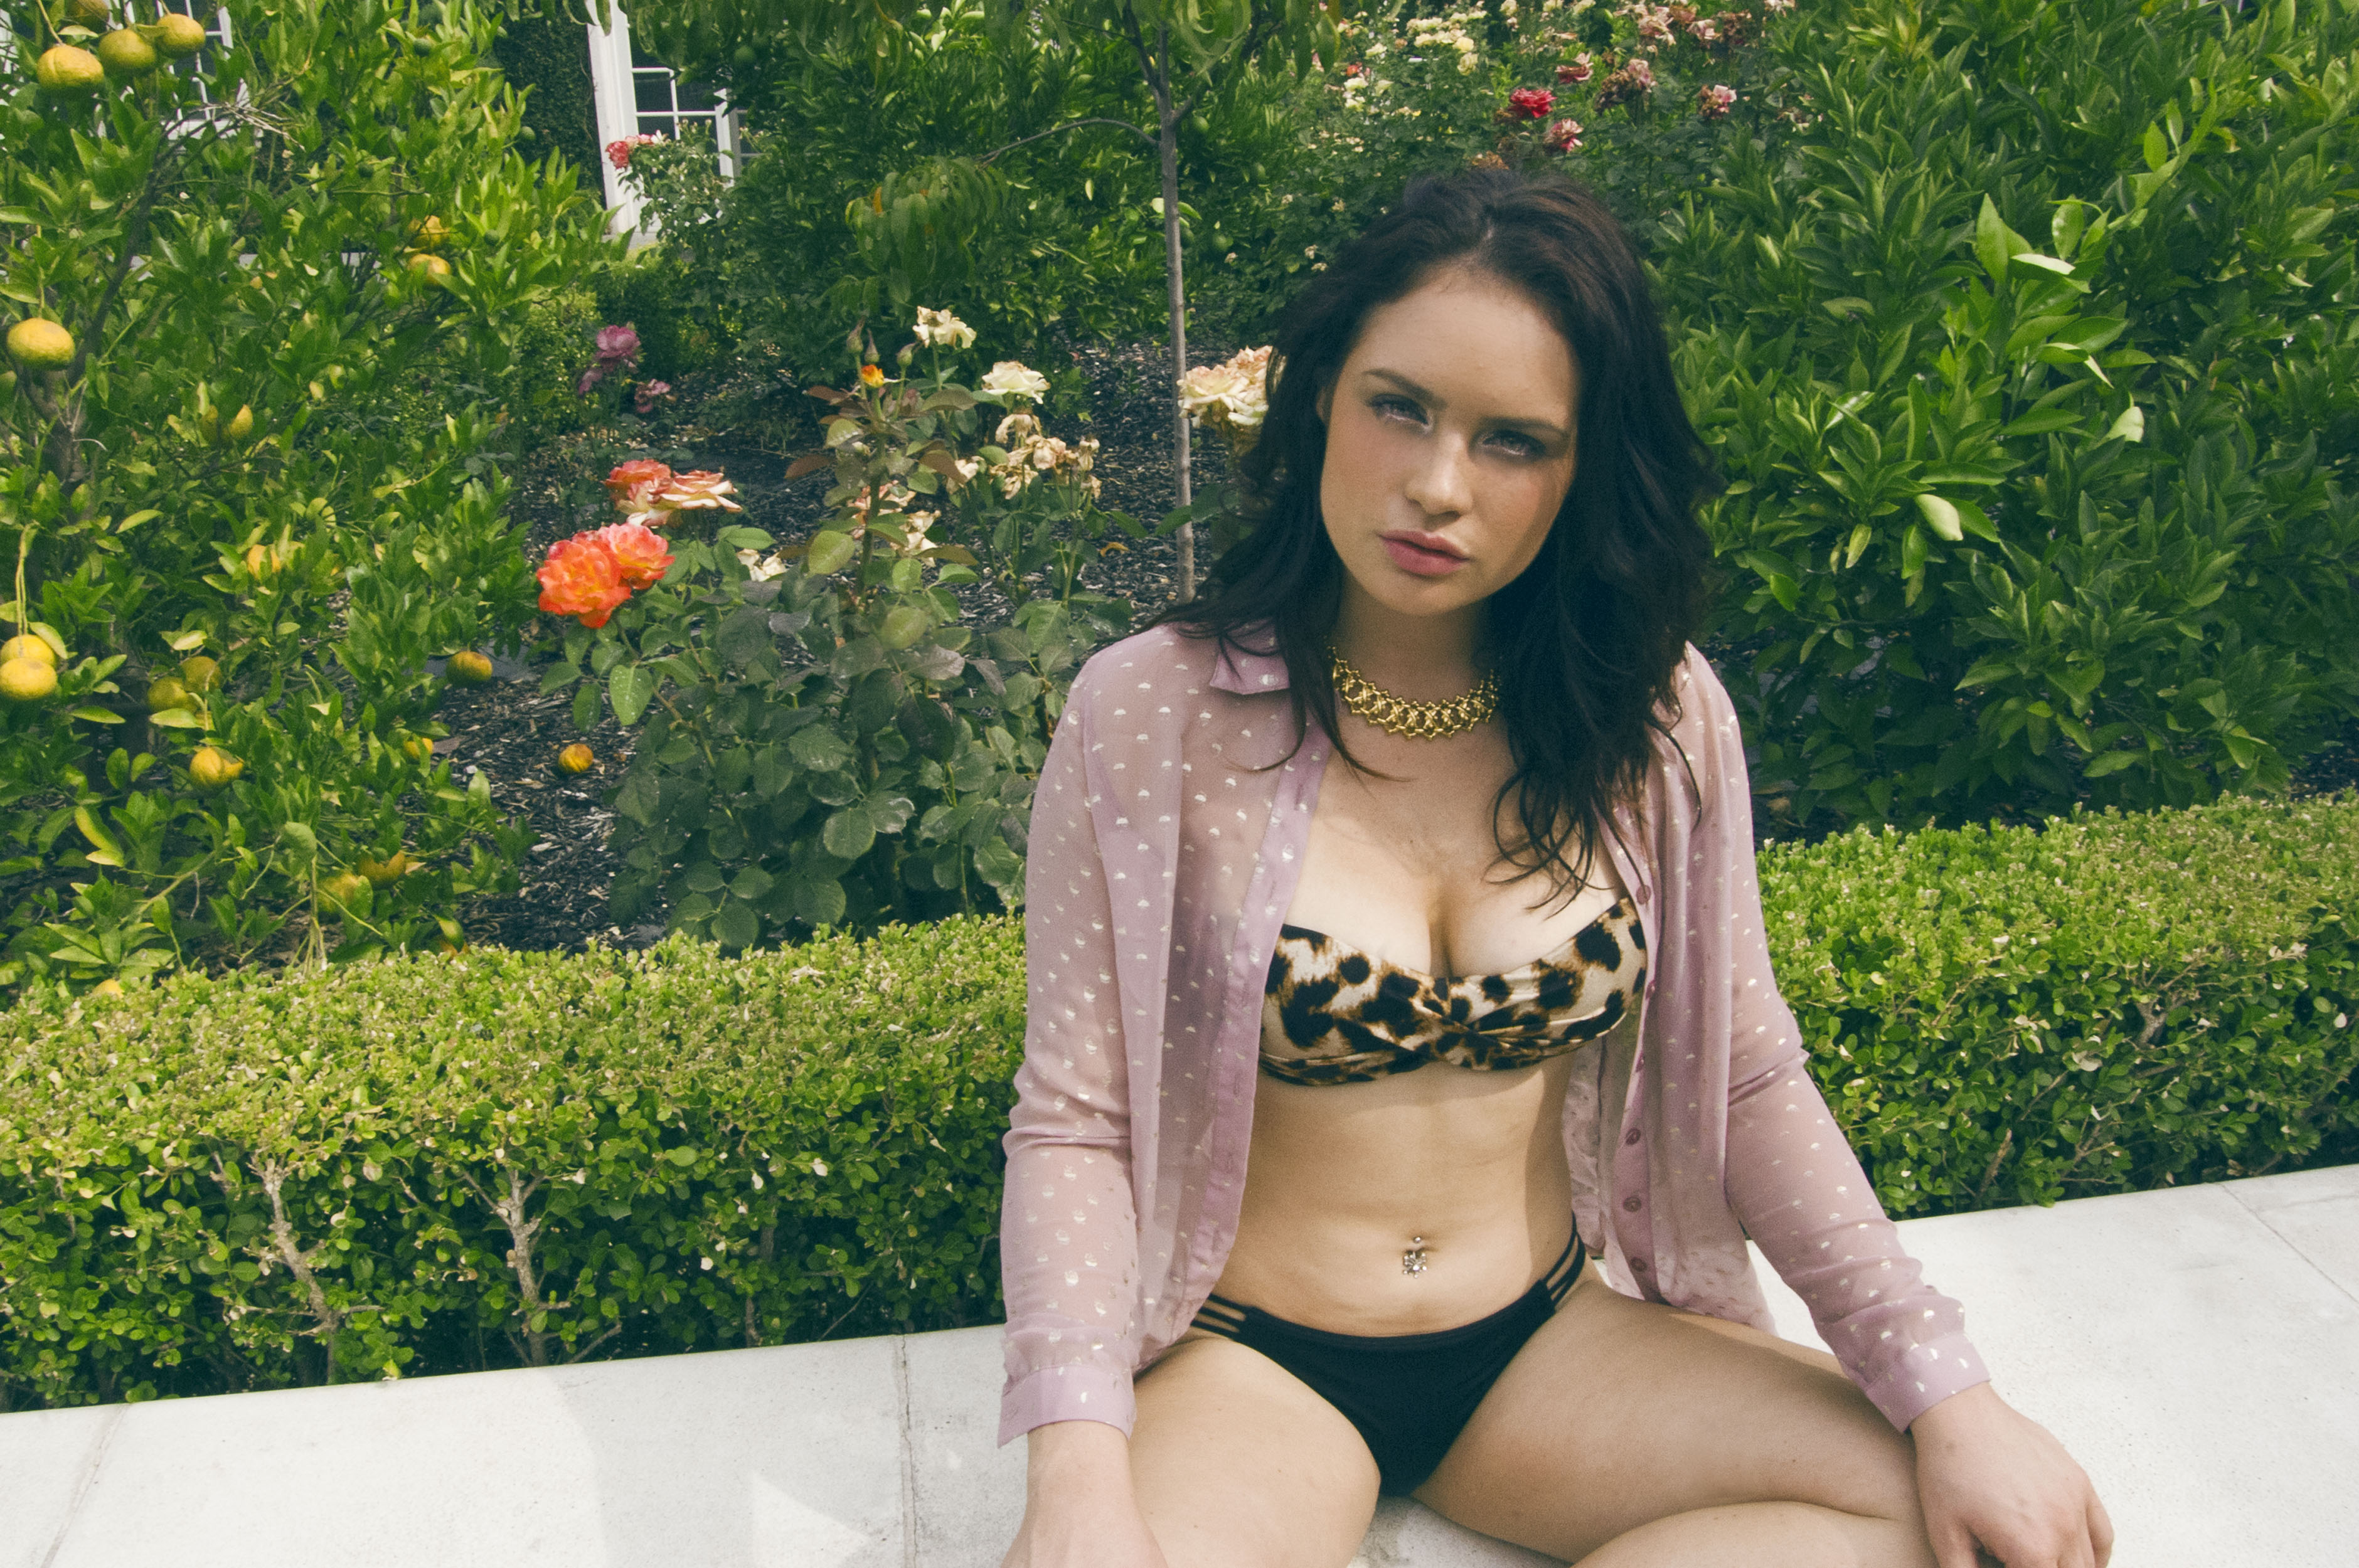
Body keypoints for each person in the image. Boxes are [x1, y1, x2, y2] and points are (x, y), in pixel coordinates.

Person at [996, 169, 2112, 1568]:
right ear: (1322, 394)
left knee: (1957, 1521)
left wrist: (1949, 1393)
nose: (1438, 485)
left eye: (1514, 441)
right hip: (1252, 1362)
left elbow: (1747, 1074)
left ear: (1583, 470)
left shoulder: (1651, 717)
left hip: (1544, 1343)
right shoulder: (1153, 711)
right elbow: (1077, 1122)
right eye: (1399, 406)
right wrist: (1076, 1480)